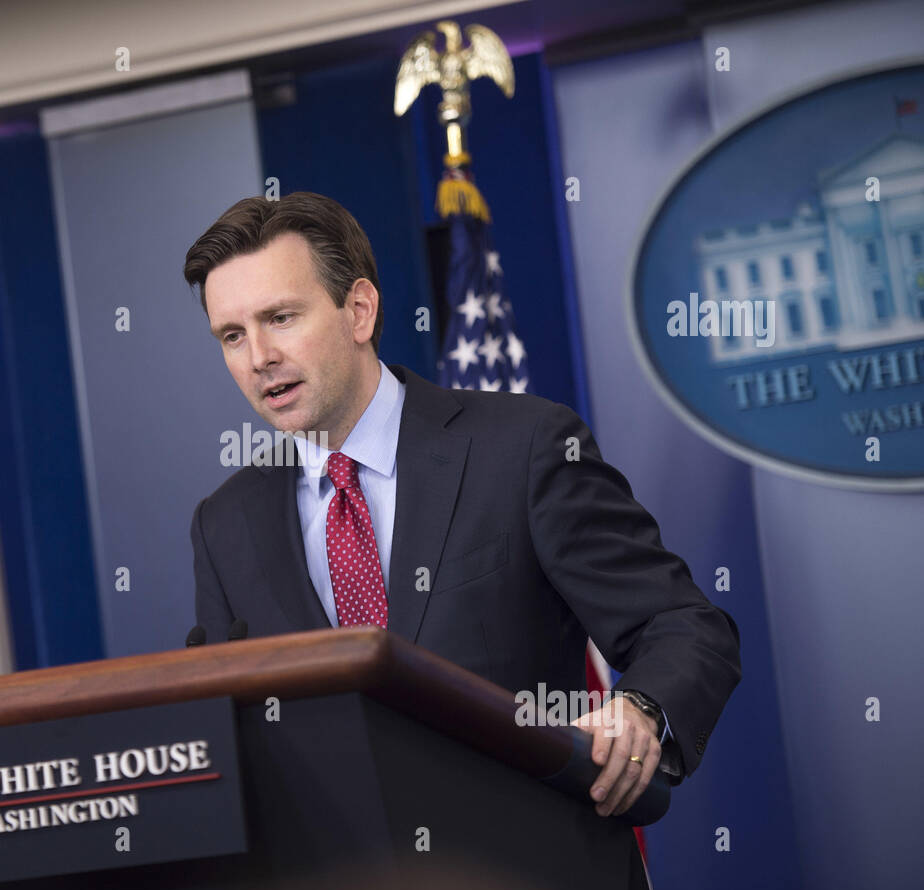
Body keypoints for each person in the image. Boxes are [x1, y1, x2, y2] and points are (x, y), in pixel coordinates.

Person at [182, 191, 740, 825]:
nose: (258, 357)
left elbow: (683, 624)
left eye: (280, 318)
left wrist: (639, 708)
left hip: (534, 868)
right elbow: (231, 726)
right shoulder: (224, 524)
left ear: (359, 311)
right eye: (232, 335)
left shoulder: (521, 448)